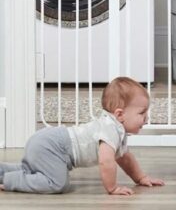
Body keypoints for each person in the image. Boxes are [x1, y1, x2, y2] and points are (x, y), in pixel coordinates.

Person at [0, 76, 165, 194]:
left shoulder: (115, 129)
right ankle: (10, 181)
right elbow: (106, 161)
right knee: (57, 183)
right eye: (142, 113)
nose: (146, 118)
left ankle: (3, 171)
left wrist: (140, 178)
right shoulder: (110, 130)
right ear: (120, 114)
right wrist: (112, 188)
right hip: (52, 146)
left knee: (33, 170)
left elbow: (124, 158)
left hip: (46, 141)